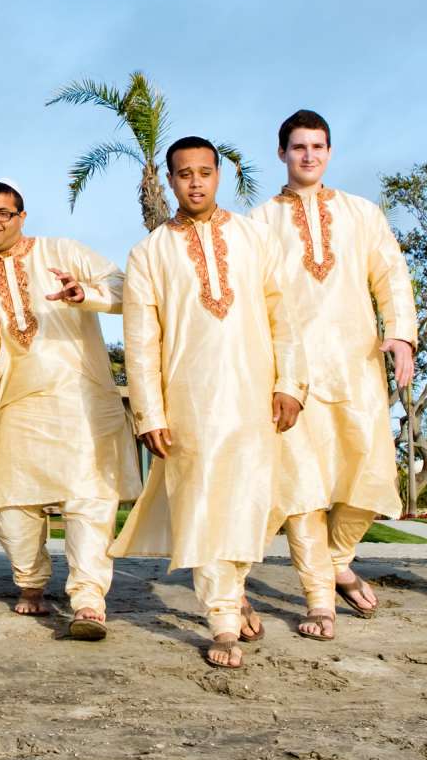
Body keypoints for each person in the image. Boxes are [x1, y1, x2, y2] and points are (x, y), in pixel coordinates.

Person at [112, 137, 308, 669]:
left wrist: (291, 383)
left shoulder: (253, 237)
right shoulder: (149, 253)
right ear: (170, 181)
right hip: (189, 401)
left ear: (218, 176)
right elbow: (141, 341)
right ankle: (221, 618)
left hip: (252, 396)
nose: (195, 182)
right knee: (202, 505)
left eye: (204, 172)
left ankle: (234, 590)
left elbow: (282, 315)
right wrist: (150, 412)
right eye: (183, 174)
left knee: (249, 503)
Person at [249, 110, 418, 637]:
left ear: (329, 152)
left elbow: (391, 275)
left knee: (369, 476)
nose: (308, 156)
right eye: (298, 147)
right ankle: (319, 599)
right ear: (281, 153)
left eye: (318, 147)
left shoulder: (362, 214)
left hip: (357, 363)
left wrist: (402, 337)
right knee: (302, 490)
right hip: (290, 372)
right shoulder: (258, 222)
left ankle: (338, 559)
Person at [0, 181, 139, 639]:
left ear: (21, 216)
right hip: (22, 403)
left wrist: (84, 294)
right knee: (13, 504)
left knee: (88, 501)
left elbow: (123, 288)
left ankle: (89, 599)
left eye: (3, 213)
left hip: (82, 398)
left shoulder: (62, 251)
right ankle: (31, 582)